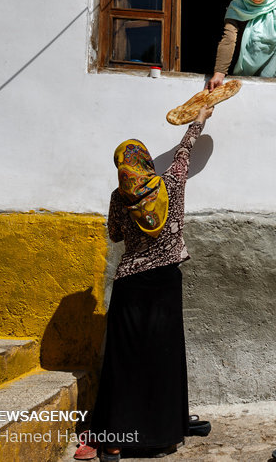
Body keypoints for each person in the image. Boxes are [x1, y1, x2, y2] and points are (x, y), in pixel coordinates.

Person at [84, 105, 213, 462]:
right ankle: (165, 433)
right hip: (165, 284)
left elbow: (113, 236)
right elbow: (185, 149)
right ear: (146, 162)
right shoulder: (171, 183)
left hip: (129, 286)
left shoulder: (118, 198)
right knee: (163, 358)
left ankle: (112, 442)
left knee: (124, 363)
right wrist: (201, 117)